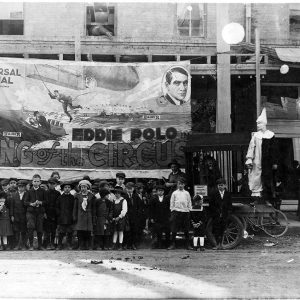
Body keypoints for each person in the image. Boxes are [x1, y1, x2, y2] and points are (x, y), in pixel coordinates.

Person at [245, 108, 278, 203]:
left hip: (267, 161)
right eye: (257, 123)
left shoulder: (271, 135)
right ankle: (256, 199)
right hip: (257, 160)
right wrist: (249, 159)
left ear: (264, 124)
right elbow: (251, 147)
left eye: (259, 123)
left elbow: (274, 150)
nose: (258, 125)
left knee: (267, 178)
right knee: (256, 177)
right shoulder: (255, 135)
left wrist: (274, 162)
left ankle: (267, 199)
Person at [23, 174, 47, 250]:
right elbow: (25, 202)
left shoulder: (43, 191)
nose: (36, 183)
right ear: (32, 182)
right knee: (30, 228)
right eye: (34, 181)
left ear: (40, 182)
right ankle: (31, 245)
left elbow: (47, 201)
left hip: (40, 212)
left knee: (40, 229)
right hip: (31, 212)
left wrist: (40, 202)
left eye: (38, 181)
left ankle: (40, 245)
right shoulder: (29, 192)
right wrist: (31, 204)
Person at [168, 178, 192, 250]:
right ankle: (173, 244)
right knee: (174, 229)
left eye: (182, 184)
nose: (180, 185)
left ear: (184, 185)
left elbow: (189, 202)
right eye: (179, 184)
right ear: (177, 185)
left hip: (185, 212)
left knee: (186, 229)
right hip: (176, 212)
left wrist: (189, 210)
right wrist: (173, 211)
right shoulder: (174, 193)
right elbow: (171, 203)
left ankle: (188, 245)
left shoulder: (187, 193)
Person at [209, 178, 232, 250]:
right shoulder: (214, 193)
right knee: (216, 230)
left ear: (225, 185)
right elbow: (211, 204)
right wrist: (216, 212)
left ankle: (221, 244)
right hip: (216, 215)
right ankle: (217, 244)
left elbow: (230, 205)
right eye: (219, 185)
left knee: (223, 229)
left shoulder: (228, 194)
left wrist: (227, 213)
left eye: (222, 185)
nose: (220, 187)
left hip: (224, 215)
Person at [73, 180, 94, 250]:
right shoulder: (77, 196)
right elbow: (75, 207)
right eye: (82, 187)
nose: (83, 188)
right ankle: (80, 245)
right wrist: (74, 216)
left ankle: (88, 245)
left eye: (84, 187)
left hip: (88, 215)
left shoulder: (91, 196)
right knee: (80, 231)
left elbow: (93, 207)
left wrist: (93, 216)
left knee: (88, 231)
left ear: (87, 187)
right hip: (80, 215)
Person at [56, 181, 75, 250]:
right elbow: (57, 207)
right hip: (62, 217)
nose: (67, 188)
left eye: (68, 187)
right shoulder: (60, 197)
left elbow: (74, 207)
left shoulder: (72, 198)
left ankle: (69, 244)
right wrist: (59, 214)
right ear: (63, 189)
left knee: (70, 232)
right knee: (61, 232)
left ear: (71, 189)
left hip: (70, 217)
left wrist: (73, 216)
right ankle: (59, 244)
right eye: (65, 187)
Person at [9, 180, 28, 250]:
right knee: (16, 231)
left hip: (24, 216)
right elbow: (12, 206)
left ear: (25, 187)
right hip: (16, 216)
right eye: (19, 187)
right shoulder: (14, 195)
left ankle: (23, 245)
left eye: (22, 187)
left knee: (24, 231)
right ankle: (16, 245)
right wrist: (12, 215)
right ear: (18, 187)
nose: (21, 188)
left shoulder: (27, 194)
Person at [44, 177, 60, 250]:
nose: (51, 185)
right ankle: (47, 244)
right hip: (47, 213)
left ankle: (53, 244)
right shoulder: (45, 192)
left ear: (56, 184)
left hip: (54, 214)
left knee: (53, 230)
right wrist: (44, 212)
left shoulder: (58, 193)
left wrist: (57, 213)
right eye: (50, 183)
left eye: (53, 184)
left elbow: (59, 204)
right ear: (48, 184)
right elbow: (43, 204)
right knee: (47, 230)